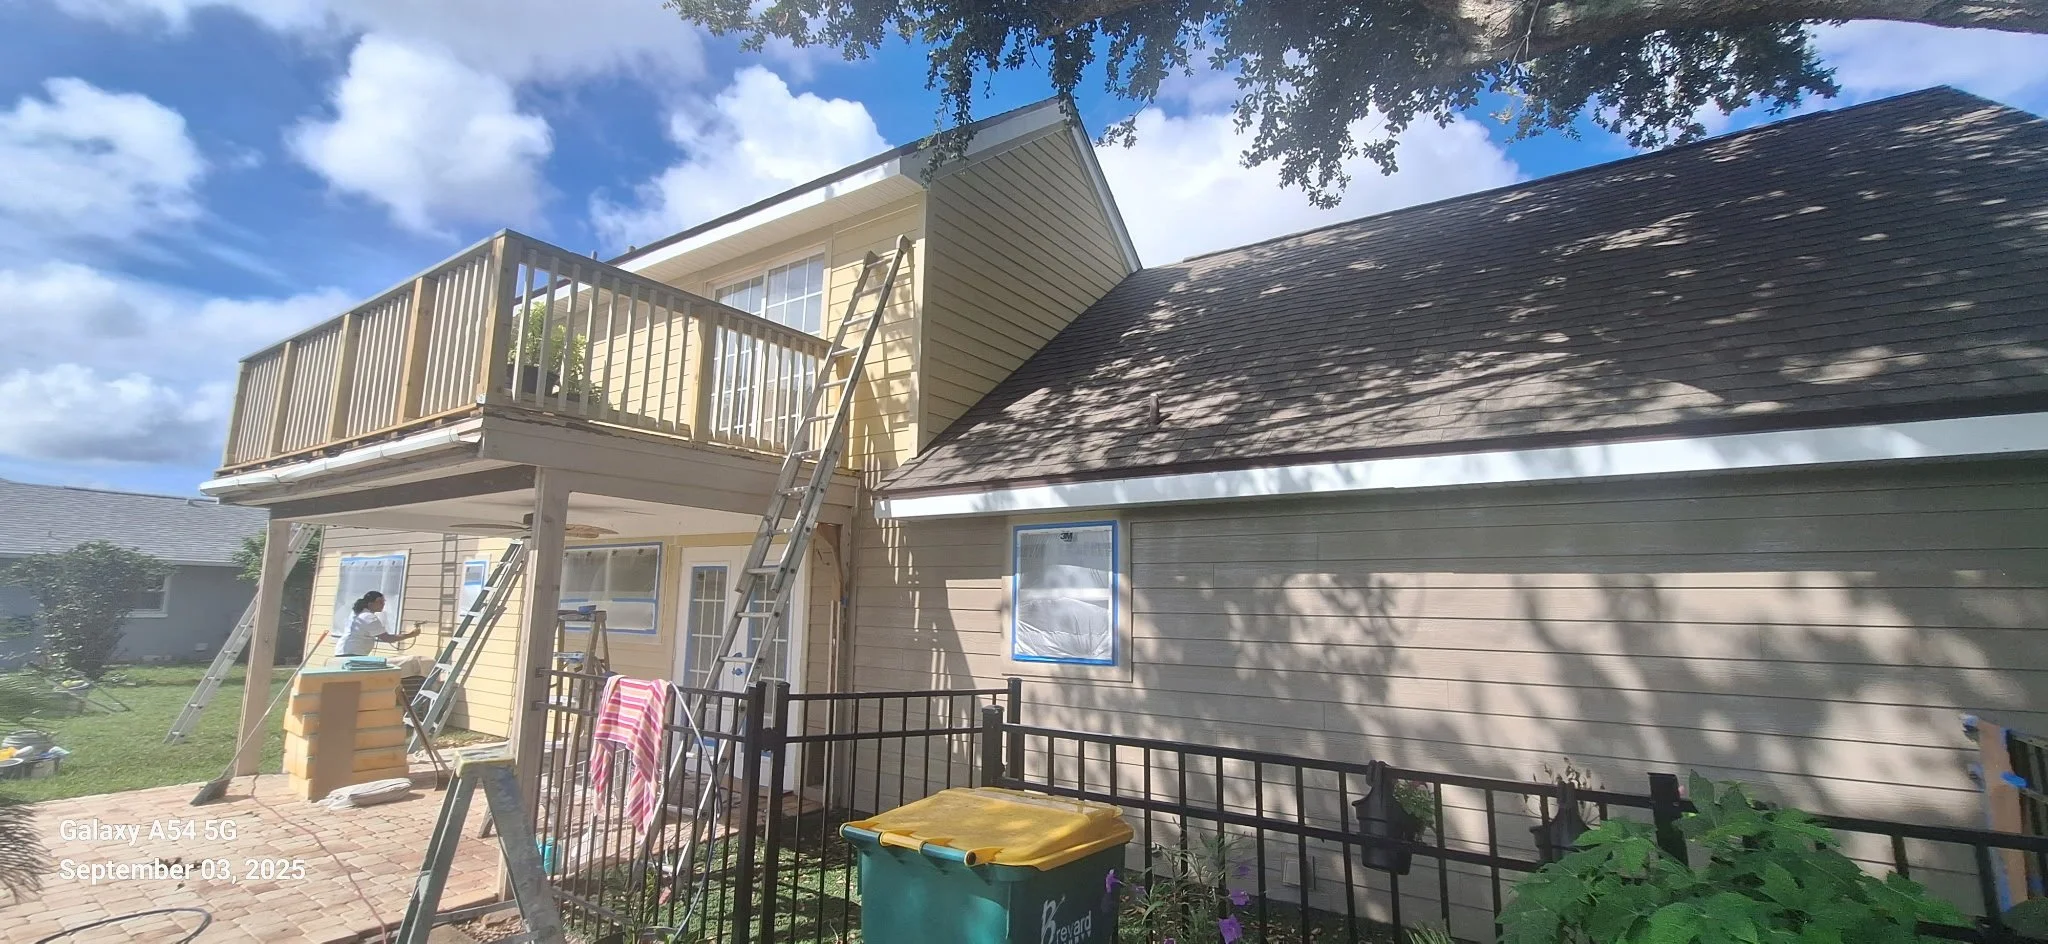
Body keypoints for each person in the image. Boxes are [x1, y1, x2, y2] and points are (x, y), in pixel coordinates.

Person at [335, 591, 417, 657]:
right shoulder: (368, 617)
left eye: (383, 602)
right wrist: (411, 635)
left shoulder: (357, 613)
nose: (383, 604)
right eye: (380, 602)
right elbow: (387, 638)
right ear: (370, 603)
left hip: (343, 651)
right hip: (352, 654)